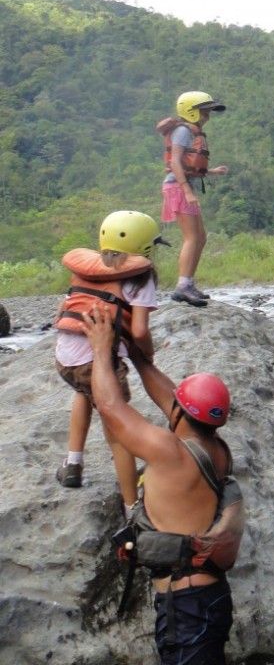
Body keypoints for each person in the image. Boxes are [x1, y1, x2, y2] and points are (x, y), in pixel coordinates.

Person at [83, 303, 242, 664]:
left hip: (186, 606)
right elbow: (174, 399)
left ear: (179, 414)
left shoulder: (171, 452)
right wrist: (138, 358)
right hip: (209, 596)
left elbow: (109, 406)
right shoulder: (216, 448)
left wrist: (99, 349)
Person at [54, 210, 168, 510]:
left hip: (65, 358)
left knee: (83, 392)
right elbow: (140, 330)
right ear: (144, 246)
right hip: (96, 362)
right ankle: (131, 507)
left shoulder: (89, 267)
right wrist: (147, 354)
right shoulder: (141, 276)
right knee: (118, 429)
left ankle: (73, 464)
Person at [160, 90, 229, 307]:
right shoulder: (182, 131)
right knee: (192, 237)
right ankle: (182, 287)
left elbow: (192, 166)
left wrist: (213, 172)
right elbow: (175, 163)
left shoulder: (191, 132)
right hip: (177, 187)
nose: (207, 116)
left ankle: (188, 283)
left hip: (183, 185)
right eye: (204, 111)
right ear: (190, 112)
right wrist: (187, 191)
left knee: (201, 237)